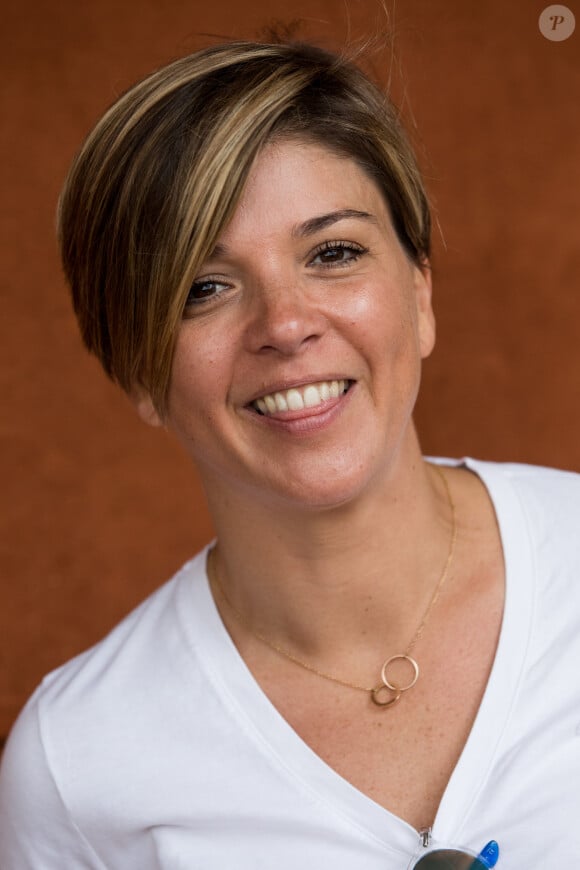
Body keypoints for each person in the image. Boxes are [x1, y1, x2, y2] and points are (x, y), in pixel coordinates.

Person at [0, 38, 579, 870]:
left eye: (333, 253)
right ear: (136, 369)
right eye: (205, 287)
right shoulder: (76, 761)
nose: (285, 324)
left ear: (419, 291)